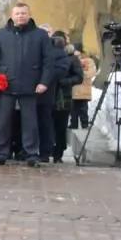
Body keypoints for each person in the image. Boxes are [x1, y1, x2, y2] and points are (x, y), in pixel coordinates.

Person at [0, 2, 55, 167]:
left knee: (30, 122)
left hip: (30, 85)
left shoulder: (40, 35)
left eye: (23, 13)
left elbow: (48, 61)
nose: (20, 16)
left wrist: (44, 82)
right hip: (5, 86)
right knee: (3, 122)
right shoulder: (1, 34)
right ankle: (1, 152)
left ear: (29, 15)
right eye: (17, 13)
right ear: (12, 15)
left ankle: (31, 153)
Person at [46, 33, 83, 163]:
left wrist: (64, 81)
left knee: (60, 126)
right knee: (47, 124)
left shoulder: (72, 58)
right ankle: (47, 150)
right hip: (47, 94)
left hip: (63, 97)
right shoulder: (47, 55)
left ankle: (58, 153)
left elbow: (79, 77)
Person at [70, 46, 95, 129]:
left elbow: (91, 72)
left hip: (84, 88)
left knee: (83, 108)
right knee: (73, 108)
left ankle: (84, 124)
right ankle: (74, 124)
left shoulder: (89, 61)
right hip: (74, 88)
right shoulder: (72, 59)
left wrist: (79, 73)